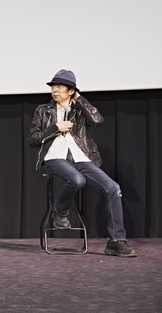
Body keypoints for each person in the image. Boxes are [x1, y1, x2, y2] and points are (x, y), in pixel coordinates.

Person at [28, 69, 136, 257]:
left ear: (71, 91)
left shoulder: (79, 109)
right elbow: (33, 140)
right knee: (77, 180)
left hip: (81, 157)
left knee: (113, 188)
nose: (54, 90)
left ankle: (116, 241)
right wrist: (55, 128)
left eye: (59, 87)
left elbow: (97, 119)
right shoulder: (43, 110)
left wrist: (80, 100)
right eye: (53, 86)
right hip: (54, 157)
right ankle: (59, 211)